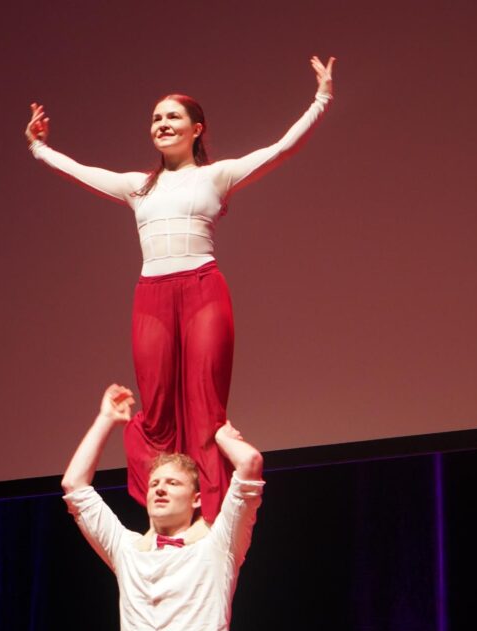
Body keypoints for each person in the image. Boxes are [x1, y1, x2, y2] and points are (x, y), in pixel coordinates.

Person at [28, 57, 334, 523]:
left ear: (197, 129)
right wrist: (38, 147)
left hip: (203, 291)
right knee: (155, 410)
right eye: (156, 118)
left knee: (206, 406)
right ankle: (168, 511)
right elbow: (78, 171)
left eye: (173, 116)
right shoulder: (137, 187)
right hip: (152, 296)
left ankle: (211, 515)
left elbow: (281, 150)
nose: (162, 124)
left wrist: (321, 99)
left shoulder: (216, 176)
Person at [62, 384, 265, 631]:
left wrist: (221, 436)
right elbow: (74, 486)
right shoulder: (127, 549)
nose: (159, 489)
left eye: (173, 483)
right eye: (155, 483)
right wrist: (106, 419)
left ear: (196, 499)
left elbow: (250, 464)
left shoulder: (218, 545)